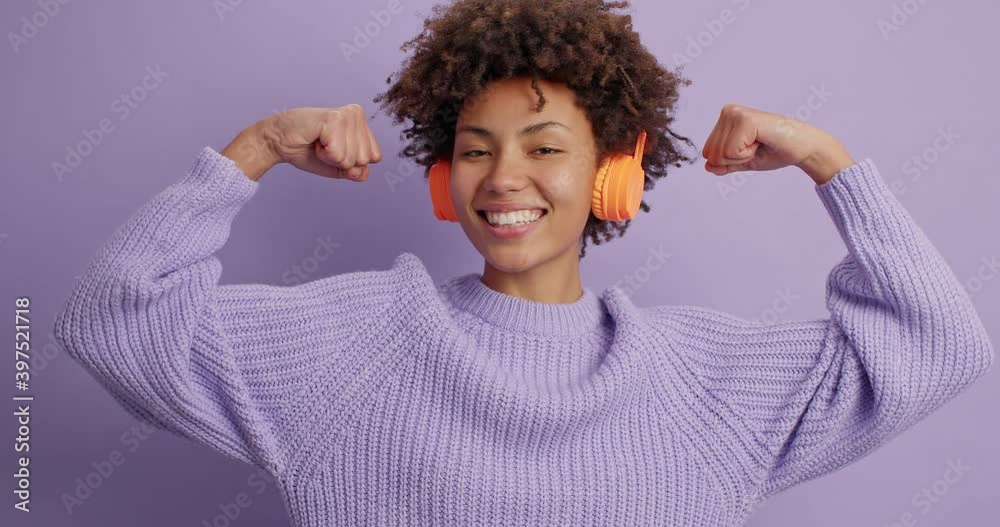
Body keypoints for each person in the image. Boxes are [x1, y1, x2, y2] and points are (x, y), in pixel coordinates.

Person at [52, 0, 993, 526]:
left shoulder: (706, 385)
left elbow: (940, 345)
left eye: (545, 146)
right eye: (473, 148)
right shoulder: (351, 344)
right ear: (440, 175)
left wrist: (829, 161)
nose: (503, 177)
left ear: (615, 171)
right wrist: (253, 146)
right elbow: (113, 321)